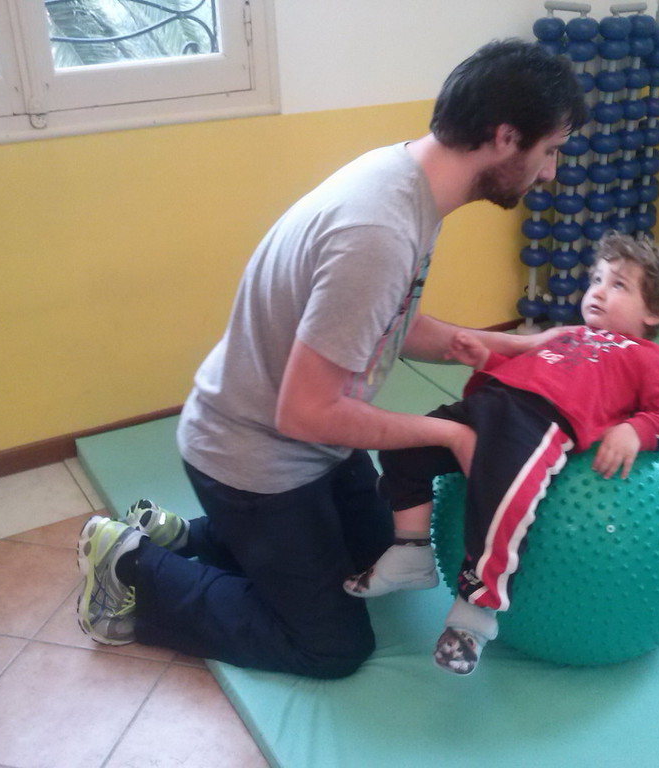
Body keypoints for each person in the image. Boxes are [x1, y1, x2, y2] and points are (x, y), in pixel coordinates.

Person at [75, 38, 588, 679]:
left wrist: (502, 345)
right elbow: (306, 411)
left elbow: (377, 317)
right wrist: (451, 435)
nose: (550, 172)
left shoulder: (406, 177)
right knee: (332, 646)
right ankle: (132, 565)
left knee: (375, 558)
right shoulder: (379, 231)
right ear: (506, 137)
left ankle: (187, 536)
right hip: (252, 459)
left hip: (303, 442)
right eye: (550, 151)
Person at [343, 232, 659, 675]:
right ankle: (411, 551)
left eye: (618, 285)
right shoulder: (569, 335)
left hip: (539, 423)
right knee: (405, 448)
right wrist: (485, 359)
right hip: (490, 404)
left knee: (501, 503)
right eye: (597, 279)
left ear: (653, 312)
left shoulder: (648, 356)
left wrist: (633, 430)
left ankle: (474, 616)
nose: (599, 291)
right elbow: (528, 371)